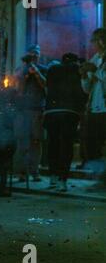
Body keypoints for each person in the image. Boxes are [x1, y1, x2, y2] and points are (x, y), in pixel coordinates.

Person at [44, 53, 87, 192]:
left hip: (51, 111)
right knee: (66, 146)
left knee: (53, 144)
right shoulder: (77, 70)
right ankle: (63, 180)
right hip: (70, 112)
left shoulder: (52, 70)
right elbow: (82, 91)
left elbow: (46, 89)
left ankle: (53, 178)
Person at [14, 45, 47, 182]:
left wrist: (36, 72)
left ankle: (35, 170)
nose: (34, 57)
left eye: (36, 54)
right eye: (31, 54)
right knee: (23, 141)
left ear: (39, 56)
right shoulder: (20, 69)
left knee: (36, 141)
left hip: (37, 109)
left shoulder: (44, 69)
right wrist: (24, 74)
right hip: (23, 110)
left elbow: (45, 85)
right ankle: (22, 171)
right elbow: (18, 89)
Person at [80, 28, 106, 164]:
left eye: (94, 41)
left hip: (104, 109)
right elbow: (87, 89)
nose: (92, 44)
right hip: (94, 109)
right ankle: (99, 176)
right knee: (92, 145)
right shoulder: (95, 59)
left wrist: (95, 71)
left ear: (101, 41)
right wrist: (84, 76)